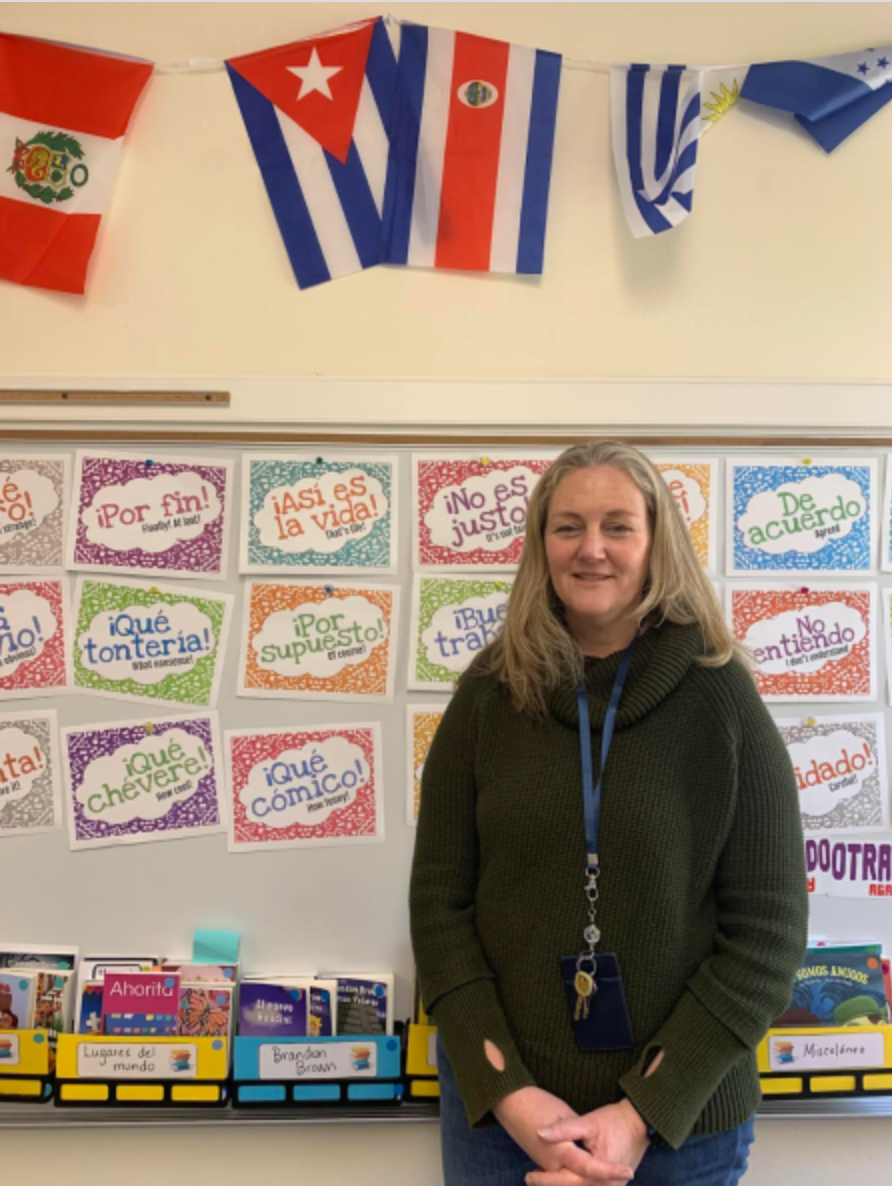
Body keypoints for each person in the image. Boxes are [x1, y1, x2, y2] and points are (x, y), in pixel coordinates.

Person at [409, 441, 808, 1186]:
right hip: (504, 1121)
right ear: (541, 544)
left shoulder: (723, 702)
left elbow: (768, 937)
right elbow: (439, 908)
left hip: (680, 1131)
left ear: (657, 544)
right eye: (568, 527)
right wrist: (512, 1095)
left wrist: (639, 1115)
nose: (591, 549)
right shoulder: (489, 694)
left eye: (618, 526)